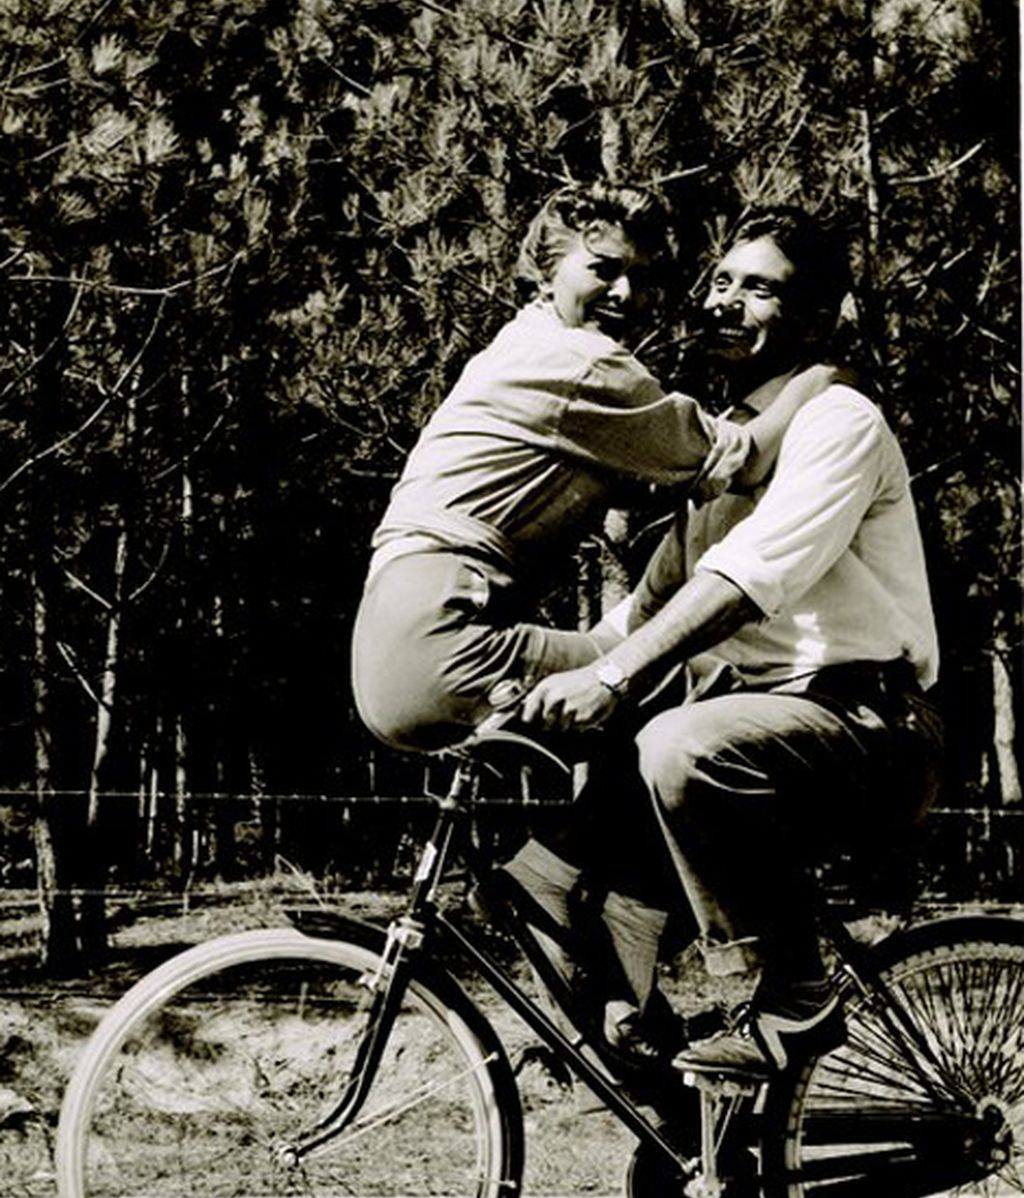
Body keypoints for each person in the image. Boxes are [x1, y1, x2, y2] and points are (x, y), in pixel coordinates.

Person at [519, 205, 944, 1077]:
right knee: (550, 878)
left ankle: (796, 995)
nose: (726, 302)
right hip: (759, 736)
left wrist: (614, 676)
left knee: (678, 742)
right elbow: (634, 620)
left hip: (866, 729)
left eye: (760, 288)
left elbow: (751, 578)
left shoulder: (839, 422)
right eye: (721, 281)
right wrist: (500, 669)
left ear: (816, 316)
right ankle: (672, 1099)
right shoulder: (724, 455)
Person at [352, 183, 835, 754]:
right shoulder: (584, 363)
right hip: (446, 634)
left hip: (393, 638)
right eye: (604, 270)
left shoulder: (519, 343)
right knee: (726, 686)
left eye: (644, 277)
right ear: (547, 268)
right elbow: (745, 459)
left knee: (619, 750)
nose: (627, 293)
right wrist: (821, 379)